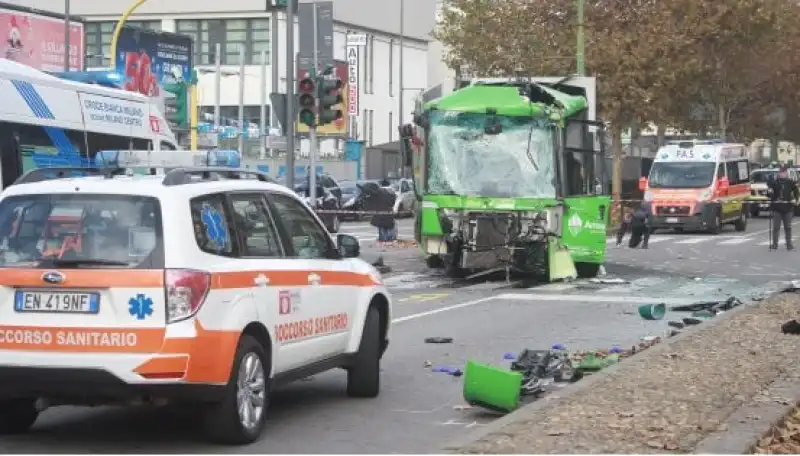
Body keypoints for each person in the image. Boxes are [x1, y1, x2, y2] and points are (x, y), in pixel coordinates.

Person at [767, 166, 799, 250]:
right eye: (781, 173)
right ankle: (774, 244)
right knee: (776, 228)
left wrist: (796, 199)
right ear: (779, 173)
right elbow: (769, 195)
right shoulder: (774, 183)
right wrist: (769, 192)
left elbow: (796, 191)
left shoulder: (790, 182)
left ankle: (789, 244)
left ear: (786, 173)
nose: (782, 174)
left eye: (784, 173)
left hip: (788, 208)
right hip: (777, 208)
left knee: (788, 227)